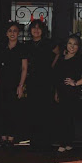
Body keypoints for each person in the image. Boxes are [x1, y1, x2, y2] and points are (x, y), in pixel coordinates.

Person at [54, 34, 82, 153]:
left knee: (66, 118)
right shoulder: (61, 58)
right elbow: (58, 77)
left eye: (75, 44)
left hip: (71, 93)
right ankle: (68, 143)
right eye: (70, 43)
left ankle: (64, 144)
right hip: (61, 92)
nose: (72, 46)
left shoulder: (79, 60)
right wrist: (56, 92)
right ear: (66, 45)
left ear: (78, 47)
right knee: (63, 118)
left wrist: (75, 83)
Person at [0, 21, 28, 147]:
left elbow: (24, 68)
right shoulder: (0, 47)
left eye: (15, 31)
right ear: (6, 33)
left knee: (13, 111)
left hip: (15, 84)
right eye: (10, 31)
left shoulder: (22, 48)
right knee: (2, 110)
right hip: (1, 84)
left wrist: (21, 85)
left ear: (18, 33)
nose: (12, 33)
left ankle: (11, 138)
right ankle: (3, 138)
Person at [25, 19, 59, 151]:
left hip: (46, 80)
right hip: (32, 80)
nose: (36, 30)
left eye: (39, 28)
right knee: (33, 110)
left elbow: (57, 54)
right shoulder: (27, 45)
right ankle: (34, 140)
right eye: (34, 28)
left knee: (46, 110)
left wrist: (51, 67)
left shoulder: (49, 43)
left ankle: (46, 141)